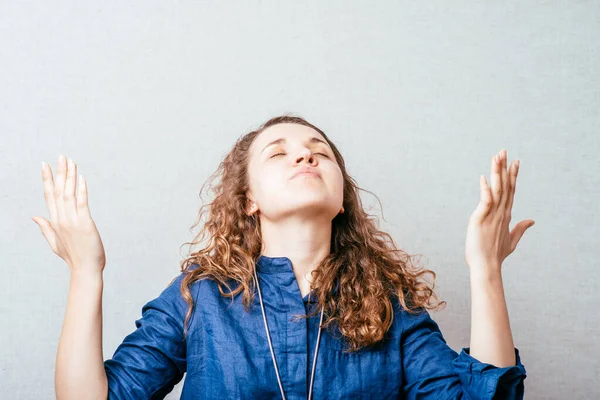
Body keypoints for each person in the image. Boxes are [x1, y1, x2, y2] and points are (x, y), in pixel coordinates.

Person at [34, 114, 532, 399]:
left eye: (321, 152)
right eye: (279, 152)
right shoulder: (200, 295)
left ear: (342, 200)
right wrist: (86, 273)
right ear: (248, 199)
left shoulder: (392, 307)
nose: (304, 155)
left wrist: (486, 272)